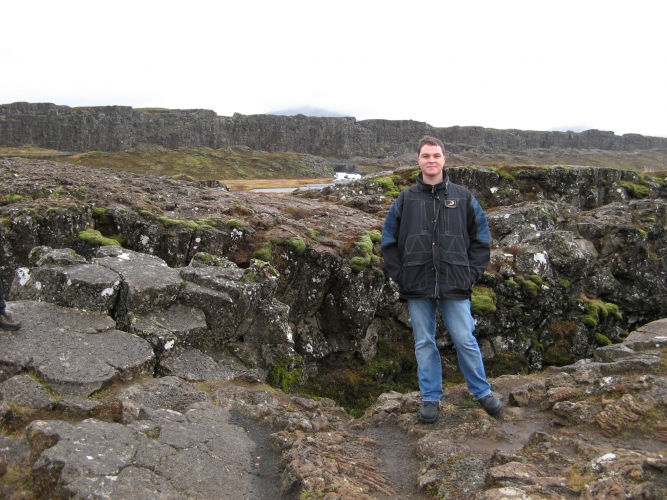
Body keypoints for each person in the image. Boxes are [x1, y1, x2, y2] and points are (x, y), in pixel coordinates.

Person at [381, 135, 502, 423]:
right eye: (426, 156)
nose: (431, 160)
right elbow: (389, 241)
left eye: (436, 155)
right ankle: (431, 398)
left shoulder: (463, 197)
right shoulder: (405, 199)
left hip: (455, 282)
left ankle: (482, 392)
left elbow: (481, 240)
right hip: (417, 283)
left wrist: (469, 274)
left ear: (444, 159)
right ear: (418, 160)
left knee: (465, 339)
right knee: (424, 342)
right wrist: (402, 275)